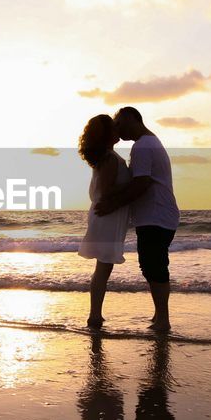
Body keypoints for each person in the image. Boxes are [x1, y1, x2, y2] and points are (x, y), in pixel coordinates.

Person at [95, 106, 179, 332]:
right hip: (158, 214)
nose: (118, 130)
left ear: (132, 118)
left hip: (155, 215)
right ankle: (159, 315)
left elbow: (141, 184)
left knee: (154, 267)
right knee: (153, 266)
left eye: (120, 124)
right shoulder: (150, 142)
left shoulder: (142, 146)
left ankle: (163, 319)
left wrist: (112, 202)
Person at [77, 113, 131, 329]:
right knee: (103, 268)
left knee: (103, 268)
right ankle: (94, 316)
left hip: (107, 217)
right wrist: (136, 183)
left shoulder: (106, 157)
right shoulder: (109, 158)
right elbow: (107, 190)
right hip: (107, 217)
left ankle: (95, 314)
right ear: (108, 134)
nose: (118, 131)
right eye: (114, 128)